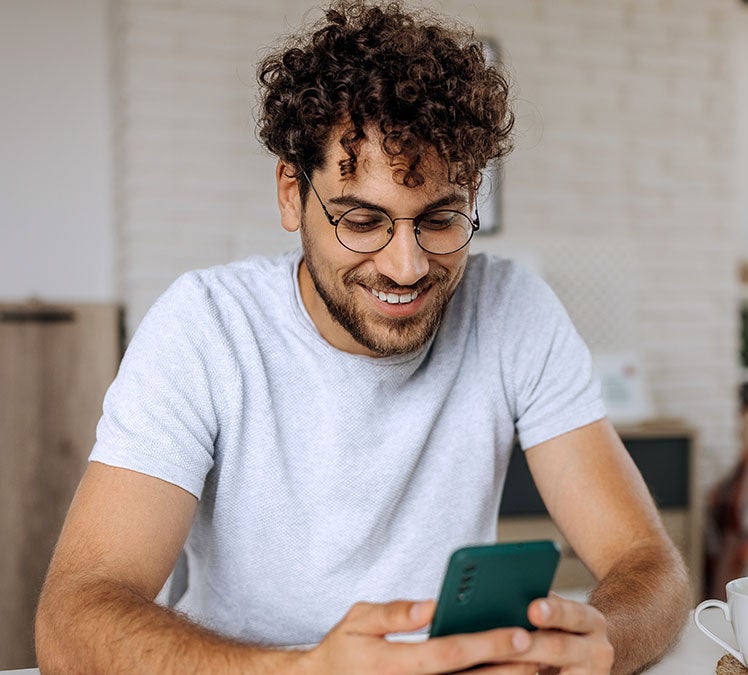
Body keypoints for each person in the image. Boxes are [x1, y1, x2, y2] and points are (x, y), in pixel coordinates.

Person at [34, 2, 690, 673]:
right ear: (291, 193)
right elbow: (70, 620)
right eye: (362, 221)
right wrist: (305, 671)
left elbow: (650, 563)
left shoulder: (513, 309)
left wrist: (598, 640)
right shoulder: (205, 327)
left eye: (440, 219)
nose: (406, 267)